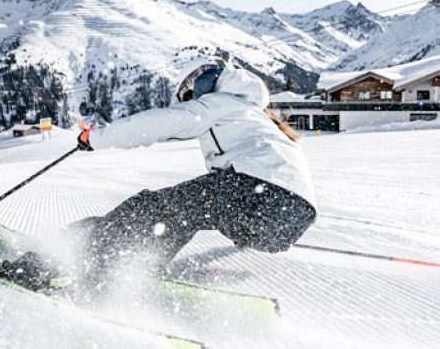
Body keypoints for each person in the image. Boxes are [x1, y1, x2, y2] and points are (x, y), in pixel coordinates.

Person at [70, 57, 317, 288]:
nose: (188, 101)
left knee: (156, 207)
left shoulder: (221, 103)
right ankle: (143, 263)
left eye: (188, 94)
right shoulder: (255, 115)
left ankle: (101, 261)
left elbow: (157, 124)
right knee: (188, 211)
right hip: (291, 219)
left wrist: (95, 138)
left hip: (258, 194)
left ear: (200, 82)